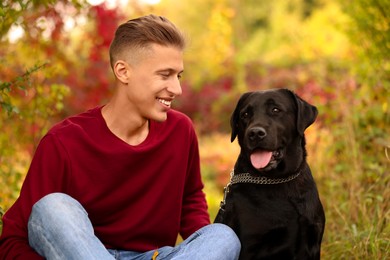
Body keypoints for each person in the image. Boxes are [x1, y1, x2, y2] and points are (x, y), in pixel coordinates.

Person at [0, 14, 241, 259]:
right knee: (53, 207)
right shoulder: (63, 142)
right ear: (123, 71)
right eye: (164, 74)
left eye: (178, 76)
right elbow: (13, 239)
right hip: (84, 254)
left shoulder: (180, 131)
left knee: (222, 236)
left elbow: (190, 201)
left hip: (154, 256)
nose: (176, 89)